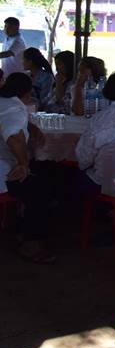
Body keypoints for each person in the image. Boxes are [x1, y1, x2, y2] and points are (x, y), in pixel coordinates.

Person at [0, 72, 56, 263]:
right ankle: (31, 243)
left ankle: (20, 227)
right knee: (41, 190)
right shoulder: (14, 107)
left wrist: (30, 126)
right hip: (3, 170)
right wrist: (23, 164)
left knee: (39, 181)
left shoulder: (5, 103)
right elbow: (14, 137)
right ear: (27, 93)